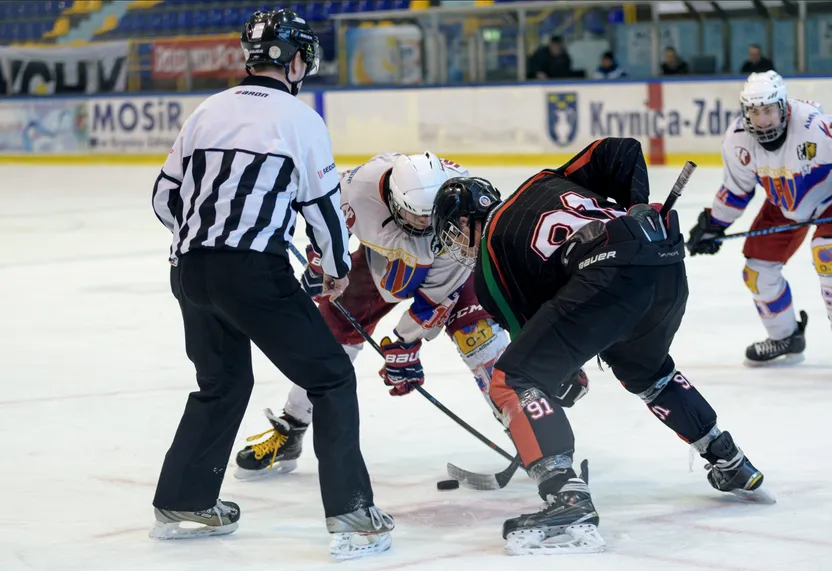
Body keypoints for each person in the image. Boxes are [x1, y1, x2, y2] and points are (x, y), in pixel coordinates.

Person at [432, 137, 773, 556]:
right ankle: (729, 460)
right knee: (648, 371)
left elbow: (536, 358)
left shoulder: (488, 262)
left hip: (610, 276)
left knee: (513, 379)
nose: (454, 242)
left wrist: (554, 396)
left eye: (452, 231)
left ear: (467, 222)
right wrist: (637, 204)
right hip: (664, 261)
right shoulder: (542, 181)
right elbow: (623, 150)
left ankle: (567, 500)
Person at [149, 9, 393, 559]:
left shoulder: (207, 111)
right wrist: (334, 271)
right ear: (297, 59)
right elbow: (325, 213)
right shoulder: (300, 119)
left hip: (188, 270)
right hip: (252, 273)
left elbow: (164, 201)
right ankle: (352, 513)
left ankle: (184, 501)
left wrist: (209, 235)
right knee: (330, 379)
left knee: (222, 383)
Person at [234, 151, 510, 478]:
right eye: (415, 215)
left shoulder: (459, 205)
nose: (424, 223)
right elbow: (327, 219)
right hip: (383, 259)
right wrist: (324, 262)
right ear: (393, 200)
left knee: (479, 338)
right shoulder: (357, 189)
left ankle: (530, 428)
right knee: (331, 335)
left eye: (429, 215)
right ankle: (291, 430)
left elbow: (438, 292)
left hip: (457, 262)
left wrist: (407, 341)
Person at [686, 71, 832, 366]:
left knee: (827, 255)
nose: (762, 120)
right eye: (754, 111)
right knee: (757, 270)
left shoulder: (816, 127)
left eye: (768, 110)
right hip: (783, 203)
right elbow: (737, 191)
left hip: (829, 200)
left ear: (783, 107)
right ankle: (785, 337)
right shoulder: (738, 139)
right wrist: (714, 224)